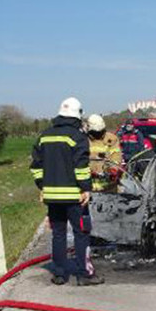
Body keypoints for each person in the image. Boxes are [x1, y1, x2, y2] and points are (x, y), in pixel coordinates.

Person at [30, 97, 104, 286]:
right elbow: (81, 167)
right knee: (81, 232)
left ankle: (60, 274)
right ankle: (84, 274)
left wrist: (42, 186)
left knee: (58, 234)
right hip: (74, 196)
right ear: (78, 115)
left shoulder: (44, 136)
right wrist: (85, 189)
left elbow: (36, 167)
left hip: (52, 197)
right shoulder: (77, 137)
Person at [86, 114, 122, 192]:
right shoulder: (83, 140)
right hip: (88, 188)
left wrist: (112, 170)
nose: (98, 134)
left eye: (100, 131)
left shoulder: (111, 139)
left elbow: (116, 156)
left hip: (108, 188)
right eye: (95, 132)